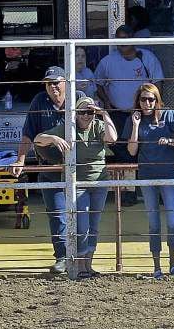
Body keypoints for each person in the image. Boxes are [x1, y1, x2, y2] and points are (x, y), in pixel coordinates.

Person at [7, 66, 86, 274]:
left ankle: (83, 257)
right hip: (50, 167)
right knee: (57, 214)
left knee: (83, 213)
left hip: (79, 168)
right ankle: (62, 256)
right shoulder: (39, 101)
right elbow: (28, 133)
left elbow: (90, 122)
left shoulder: (78, 97)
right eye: (48, 83)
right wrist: (20, 160)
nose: (52, 87)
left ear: (65, 82)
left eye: (56, 82)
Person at [34, 96, 117, 280]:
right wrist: (54, 138)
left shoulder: (98, 125)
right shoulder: (68, 128)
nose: (86, 116)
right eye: (82, 112)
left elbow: (112, 138)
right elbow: (38, 140)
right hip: (77, 185)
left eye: (90, 112)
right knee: (82, 226)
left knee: (93, 226)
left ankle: (88, 265)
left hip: (99, 183)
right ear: (76, 113)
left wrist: (104, 114)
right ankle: (79, 266)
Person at [93, 24, 164, 206]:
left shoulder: (146, 57)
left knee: (147, 151)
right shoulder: (108, 61)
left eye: (126, 38)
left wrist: (155, 108)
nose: (122, 43)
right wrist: (106, 102)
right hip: (118, 115)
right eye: (119, 39)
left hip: (143, 113)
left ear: (133, 38)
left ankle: (157, 193)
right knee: (123, 154)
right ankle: (127, 194)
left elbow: (157, 83)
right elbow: (98, 83)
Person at [124, 83, 174, 278]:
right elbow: (132, 151)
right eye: (143, 99)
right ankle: (157, 266)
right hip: (147, 176)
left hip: (169, 174)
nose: (147, 102)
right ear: (138, 101)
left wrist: (169, 141)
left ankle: (173, 264)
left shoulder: (169, 115)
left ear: (157, 100)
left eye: (151, 99)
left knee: (173, 221)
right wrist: (134, 125)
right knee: (153, 222)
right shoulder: (135, 119)